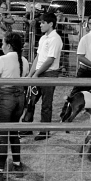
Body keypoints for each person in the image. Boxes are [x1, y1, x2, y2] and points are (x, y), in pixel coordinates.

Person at [0, 32, 29, 181]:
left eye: (3, 43)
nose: (1, 45)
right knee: (14, 132)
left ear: (9, 45)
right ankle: (17, 164)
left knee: (3, 136)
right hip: (20, 98)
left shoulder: (2, 60)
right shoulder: (24, 60)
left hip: (5, 98)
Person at [21, 12, 63, 141]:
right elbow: (38, 58)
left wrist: (36, 74)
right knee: (29, 101)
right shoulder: (43, 38)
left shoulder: (55, 39)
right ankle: (27, 127)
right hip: (40, 73)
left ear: (50, 24)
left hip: (49, 73)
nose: (40, 24)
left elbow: (50, 60)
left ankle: (45, 130)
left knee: (46, 103)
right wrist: (30, 74)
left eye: (43, 22)